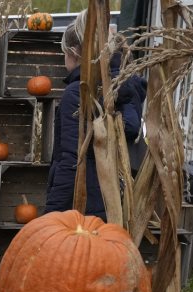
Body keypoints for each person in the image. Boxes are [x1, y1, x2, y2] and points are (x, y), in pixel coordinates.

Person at [44, 11, 147, 217]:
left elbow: (73, 161)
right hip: (114, 208)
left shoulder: (78, 93)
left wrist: (51, 215)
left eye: (64, 53)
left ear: (73, 52)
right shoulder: (125, 88)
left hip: (80, 208)